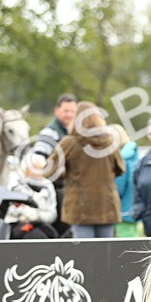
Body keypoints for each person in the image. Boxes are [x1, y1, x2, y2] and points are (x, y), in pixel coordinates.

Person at [58, 102, 125, 239]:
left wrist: (67, 174)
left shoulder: (69, 143)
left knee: (85, 255)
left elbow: (50, 170)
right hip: (106, 206)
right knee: (105, 255)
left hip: (80, 208)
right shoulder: (109, 142)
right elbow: (120, 169)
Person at [29, 94, 78, 236]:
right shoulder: (50, 132)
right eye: (65, 111)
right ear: (57, 111)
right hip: (57, 189)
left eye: (72, 111)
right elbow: (38, 157)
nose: (69, 114)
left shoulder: (77, 131)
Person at [5, 156, 59, 240]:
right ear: (26, 170)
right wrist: (24, 213)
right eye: (34, 168)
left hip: (41, 224)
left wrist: (37, 216)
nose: (38, 172)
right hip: (16, 224)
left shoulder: (48, 186)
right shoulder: (14, 185)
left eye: (41, 169)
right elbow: (8, 209)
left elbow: (52, 213)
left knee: (42, 236)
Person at [111, 124, 141, 237]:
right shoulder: (134, 156)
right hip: (132, 209)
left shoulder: (121, 160)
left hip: (121, 211)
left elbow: (118, 188)